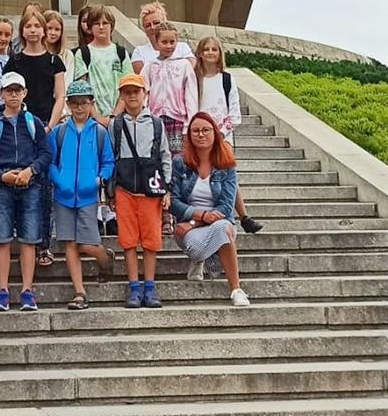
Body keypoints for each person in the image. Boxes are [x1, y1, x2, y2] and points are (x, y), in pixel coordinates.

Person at [0, 71, 49, 312]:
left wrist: (32, 170)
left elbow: (45, 153)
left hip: (30, 184)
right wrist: (0, 175)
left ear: (24, 93)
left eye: (17, 90)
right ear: (1, 94)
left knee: (29, 240)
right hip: (3, 185)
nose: (13, 95)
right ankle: (3, 290)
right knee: (2, 239)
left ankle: (27, 290)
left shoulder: (33, 122)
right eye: (9, 91)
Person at [3, 5, 66, 268]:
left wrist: (49, 126)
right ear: (22, 30)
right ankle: (19, 240)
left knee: (44, 187)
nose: (33, 30)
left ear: (44, 30)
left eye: (37, 26)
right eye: (28, 26)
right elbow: (5, 92)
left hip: (45, 127)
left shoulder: (54, 61)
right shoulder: (15, 61)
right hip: (18, 129)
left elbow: (60, 95)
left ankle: (43, 245)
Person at [171, 112, 251, 306]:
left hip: (216, 222)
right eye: (195, 131)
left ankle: (236, 289)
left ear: (215, 133)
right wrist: (197, 217)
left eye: (206, 130)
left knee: (223, 229)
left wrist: (197, 220)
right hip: (189, 225)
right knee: (198, 248)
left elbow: (226, 205)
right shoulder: (180, 164)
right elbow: (174, 201)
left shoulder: (227, 165)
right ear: (189, 135)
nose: (201, 134)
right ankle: (200, 259)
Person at [49, 79, 113, 310]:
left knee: (88, 243)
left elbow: (108, 161)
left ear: (91, 104)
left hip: (87, 195)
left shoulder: (99, 132)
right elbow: (51, 161)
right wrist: (58, 180)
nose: (79, 108)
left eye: (83, 103)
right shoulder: (59, 132)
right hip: (63, 195)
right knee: (70, 243)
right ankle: (79, 291)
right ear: (68, 104)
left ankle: (105, 258)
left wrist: (98, 180)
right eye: (74, 103)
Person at [110, 73, 170, 309]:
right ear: (121, 96)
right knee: (128, 240)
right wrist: (110, 190)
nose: (132, 95)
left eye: (136, 91)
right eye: (127, 92)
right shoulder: (116, 124)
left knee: (151, 240)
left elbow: (165, 155)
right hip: (125, 188)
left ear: (145, 94)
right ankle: (134, 286)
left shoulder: (156, 123)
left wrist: (167, 188)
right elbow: (112, 157)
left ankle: (150, 285)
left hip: (150, 189)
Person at [195, 36, 263, 233]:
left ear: (219, 54)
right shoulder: (195, 78)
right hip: (200, 135)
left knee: (228, 175)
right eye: (206, 49)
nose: (210, 53)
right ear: (200, 53)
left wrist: (220, 132)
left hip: (223, 136)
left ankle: (243, 215)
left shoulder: (226, 79)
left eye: (214, 49)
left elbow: (234, 112)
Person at [143, 22, 199, 153]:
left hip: (178, 119)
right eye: (164, 42)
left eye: (172, 42)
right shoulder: (150, 66)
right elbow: (144, 92)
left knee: (178, 159)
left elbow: (191, 95)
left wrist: (190, 123)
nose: (169, 46)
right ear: (156, 43)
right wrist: (144, 116)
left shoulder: (184, 65)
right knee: (156, 157)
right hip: (154, 119)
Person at [71, 5, 127, 126]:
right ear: (90, 27)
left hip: (118, 118)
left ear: (111, 26)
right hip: (92, 119)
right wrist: (97, 117)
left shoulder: (121, 53)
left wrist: (115, 115)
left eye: (105, 23)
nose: (101, 27)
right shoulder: (83, 53)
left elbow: (127, 86)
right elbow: (83, 88)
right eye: (97, 23)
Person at [131, 0, 195, 67]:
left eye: (156, 23)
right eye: (148, 25)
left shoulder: (183, 48)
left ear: (165, 23)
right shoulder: (139, 52)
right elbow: (141, 76)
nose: (152, 27)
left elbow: (191, 70)